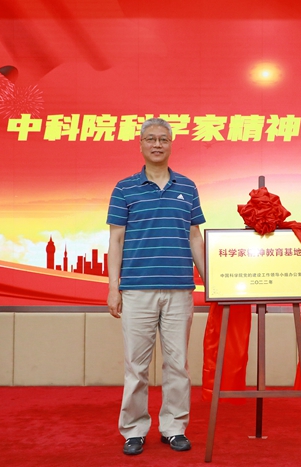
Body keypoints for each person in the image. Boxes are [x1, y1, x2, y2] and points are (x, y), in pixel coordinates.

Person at [106, 117, 206, 456]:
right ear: (141, 145)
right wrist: (113, 288)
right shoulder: (124, 188)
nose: (157, 144)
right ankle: (134, 430)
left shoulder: (187, 187)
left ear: (171, 144)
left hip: (180, 290)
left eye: (163, 139)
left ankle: (174, 427)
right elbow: (116, 240)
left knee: (178, 365)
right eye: (151, 139)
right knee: (136, 366)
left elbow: (195, 237)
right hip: (137, 290)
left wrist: (211, 281)